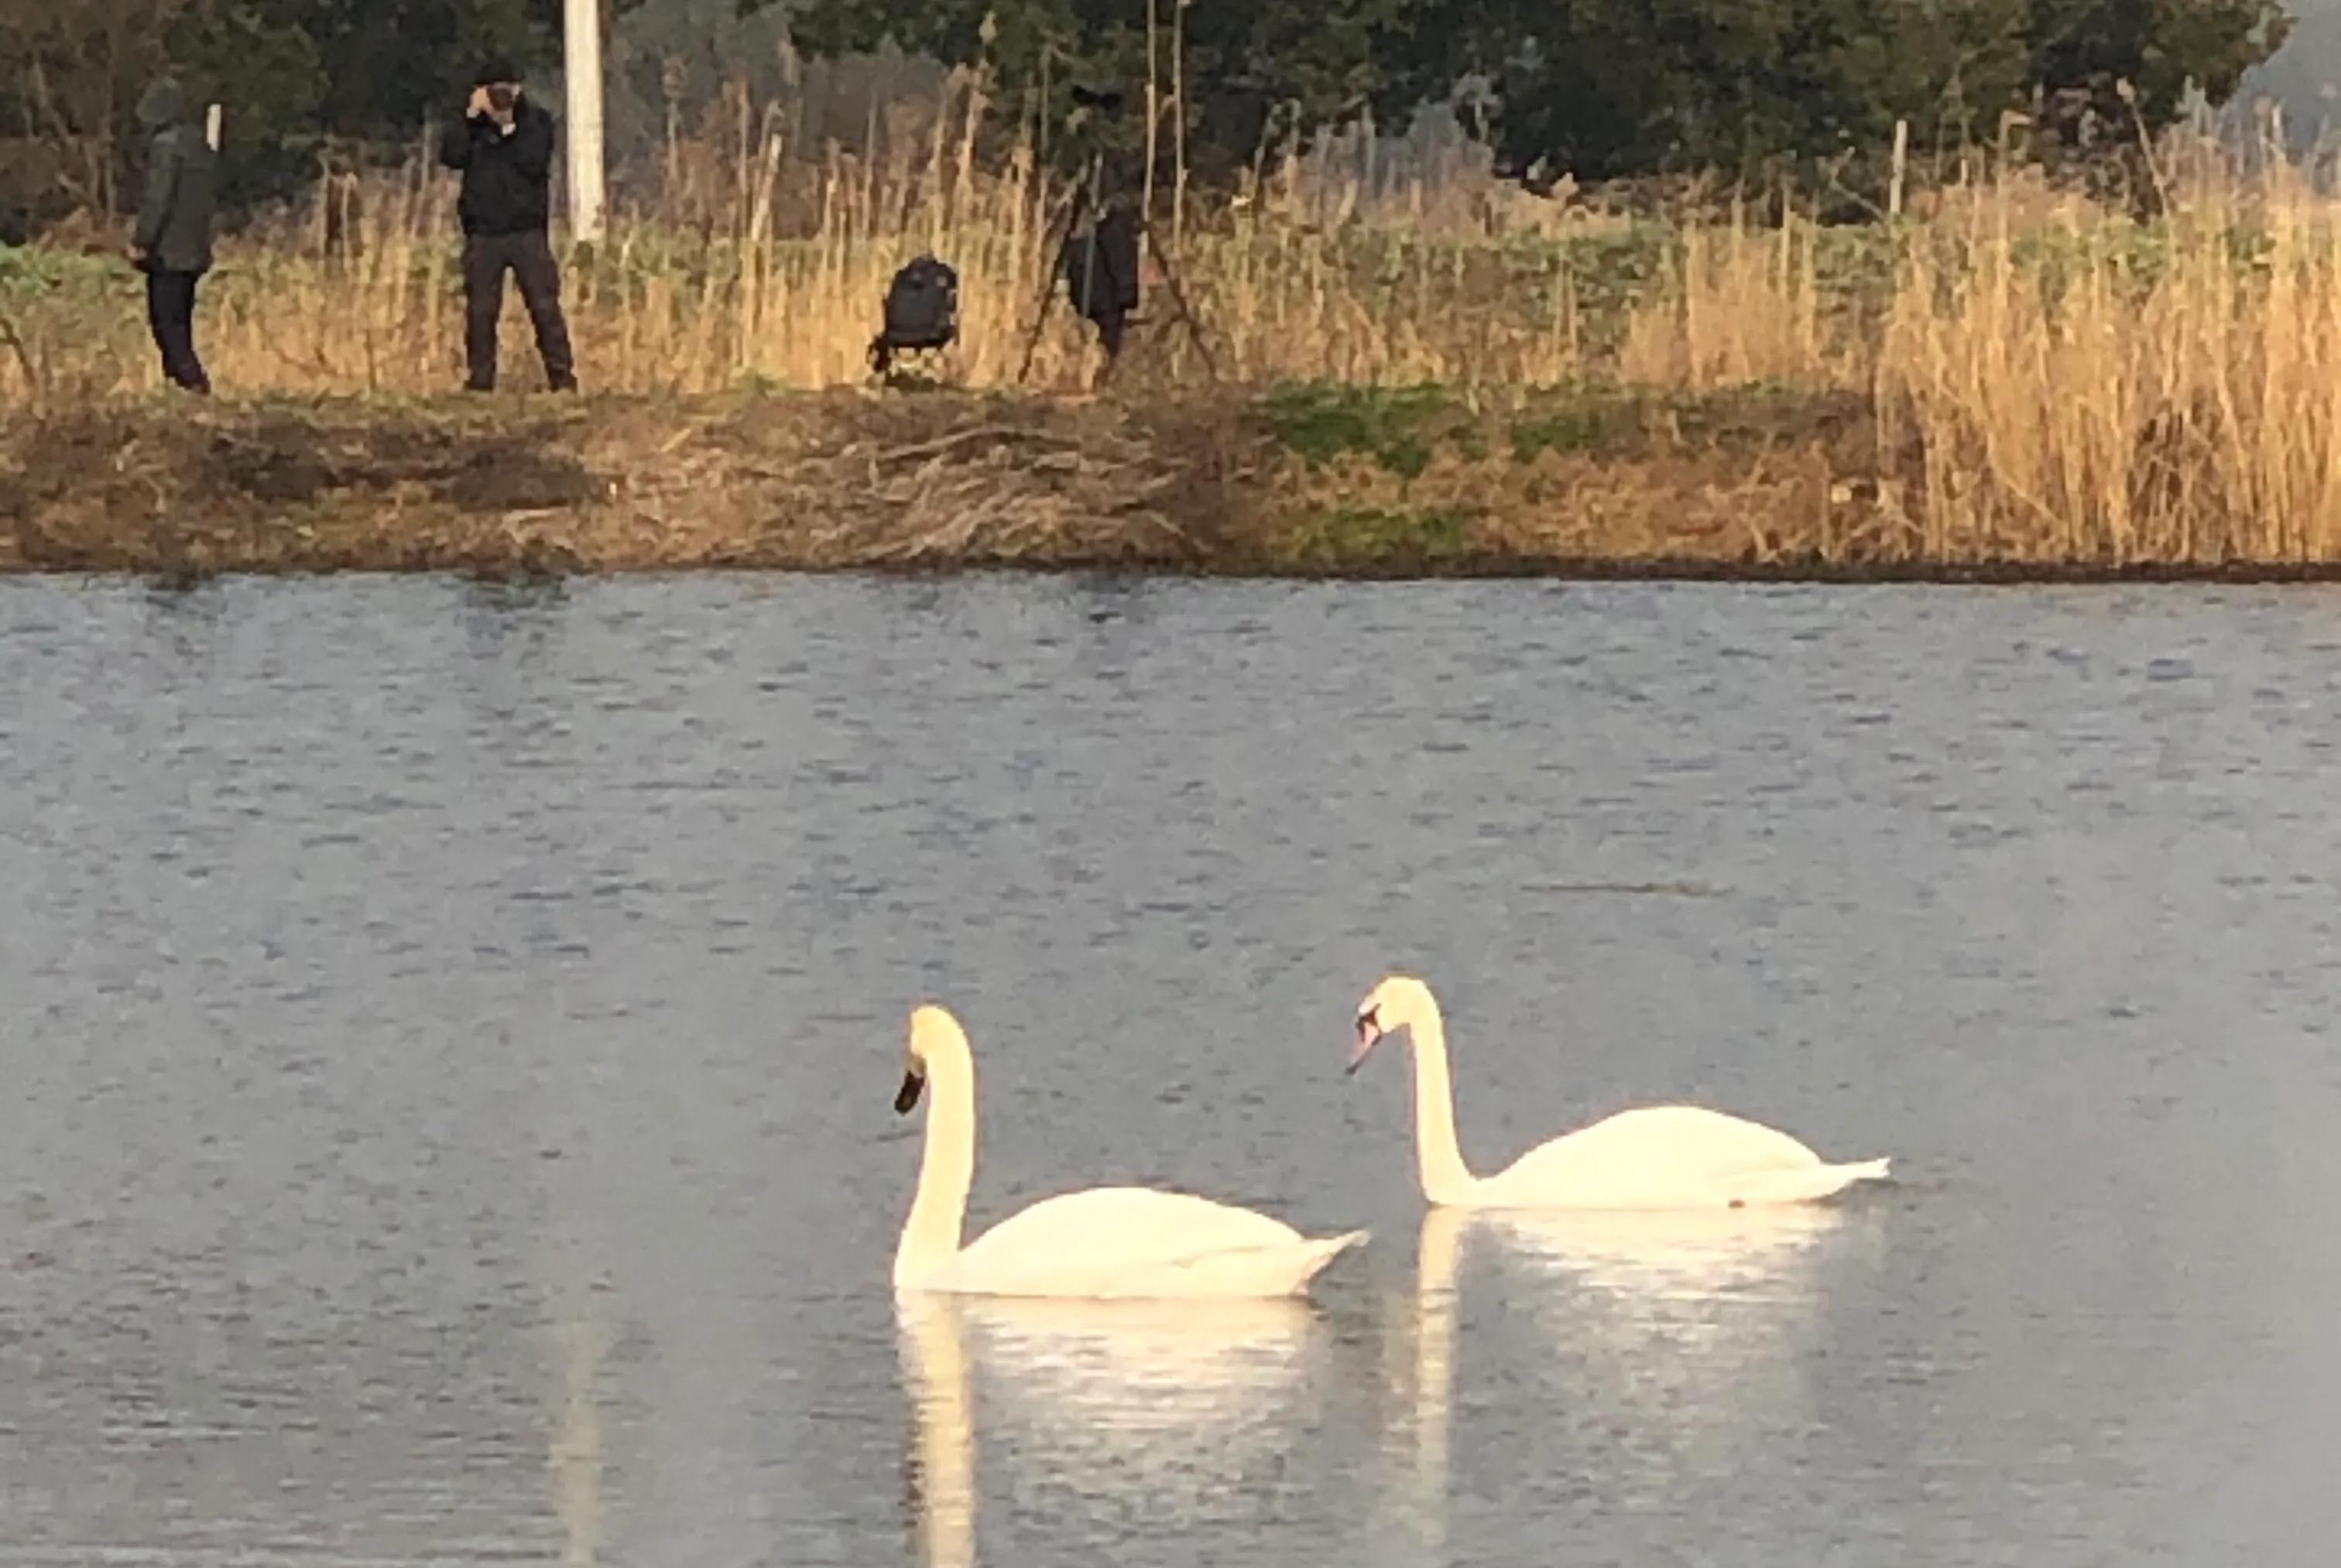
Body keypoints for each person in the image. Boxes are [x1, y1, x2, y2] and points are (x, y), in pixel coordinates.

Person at [437, 58, 576, 392]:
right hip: (483, 232)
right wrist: (472, 119)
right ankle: (480, 382)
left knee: (544, 307)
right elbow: (451, 156)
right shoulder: (470, 127)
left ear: (519, 89)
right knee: (481, 312)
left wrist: (507, 127)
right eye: (493, 91)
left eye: (507, 89)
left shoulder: (536, 122)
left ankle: (562, 379)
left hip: (526, 230)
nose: (502, 97)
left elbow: (533, 162)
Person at [129, 77, 217, 395]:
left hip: (168, 251)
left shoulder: (165, 147)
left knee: (165, 324)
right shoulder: (200, 146)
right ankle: (181, 389)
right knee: (181, 320)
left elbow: (158, 198)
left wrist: (142, 240)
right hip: (195, 250)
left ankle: (193, 384)